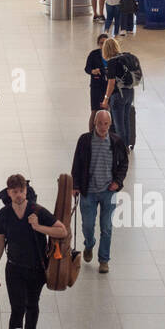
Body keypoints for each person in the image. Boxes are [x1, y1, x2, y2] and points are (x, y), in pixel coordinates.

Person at [0, 173, 67, 329]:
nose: (19, 195)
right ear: (9, 192)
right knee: (17, 310)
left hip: (36, 270)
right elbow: (0, 242)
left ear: (26, 191)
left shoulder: (38, 211)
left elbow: (62, 231)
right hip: (14, 268)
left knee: (32, 305)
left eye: (22, 191)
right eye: (15, 192)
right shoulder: (4, 215)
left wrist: (38, 226)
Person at [71, 109, 129, 275]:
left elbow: (124, 164)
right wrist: (75, 185)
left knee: (107, 228)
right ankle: (89, 244)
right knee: (87, 225)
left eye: (106, 124)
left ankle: (104, 260)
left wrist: (117, 182)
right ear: (94, 123)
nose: (103, 127)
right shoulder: (84, 140)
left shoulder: (116, 141)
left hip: (108, 192)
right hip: (88, 191)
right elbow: (77, 164)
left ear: (110, 125)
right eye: (100, 124)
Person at [99, 37, 137, 151]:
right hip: (129, 92)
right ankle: (126, 146)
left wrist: (106, 99)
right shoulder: (124, 58)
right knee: (126, 121)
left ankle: (121, 149)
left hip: (118, 95)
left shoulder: (112, 62)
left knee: (118, 123)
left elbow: (111, 83)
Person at [84, 33, 109, 111]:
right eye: (101, 43)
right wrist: (92, 71)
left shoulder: (112, 55)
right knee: (95, 111)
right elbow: (87, 68)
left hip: (108, 86)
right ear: (98, 44)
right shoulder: (93, 54)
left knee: (107, 111)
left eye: (105, 43)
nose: (103, 45)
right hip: (96, 87)